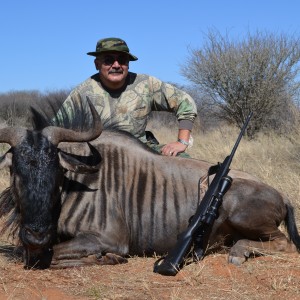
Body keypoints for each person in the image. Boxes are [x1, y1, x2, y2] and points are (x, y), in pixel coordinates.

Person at [57, 37, 197, 157]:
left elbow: (186, 103)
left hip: (140, 151)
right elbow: (56, 127)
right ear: (97, 64)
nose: (116, 65)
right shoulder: (82, 93)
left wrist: (182, 142)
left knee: (184, 161)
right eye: (108, 60)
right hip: (97, 153)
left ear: (128, 64)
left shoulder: (146, 84)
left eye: (122, 60)